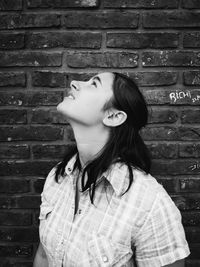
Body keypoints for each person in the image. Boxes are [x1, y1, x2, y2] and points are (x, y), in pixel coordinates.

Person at [33, 72, 190, 267]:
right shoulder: (58, 177)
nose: (74, 83)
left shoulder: (150, 203)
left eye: (94, 84)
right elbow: (43, 256)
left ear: (114, 116)